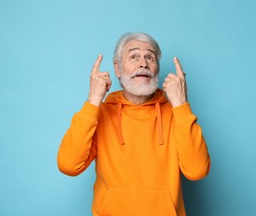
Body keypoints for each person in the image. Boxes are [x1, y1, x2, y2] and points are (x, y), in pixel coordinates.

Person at [57, 32, 210, 216]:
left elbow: (197, 171)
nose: (143, 63)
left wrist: (181, 104)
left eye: (149, 57)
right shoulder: (100, 113)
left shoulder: (176, 114)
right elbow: (68, 165)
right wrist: (93, 100)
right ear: (117, 68)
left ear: (157, 69)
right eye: (134, 56)